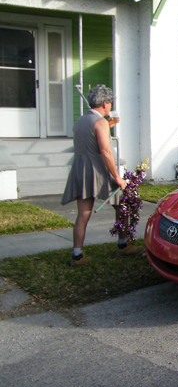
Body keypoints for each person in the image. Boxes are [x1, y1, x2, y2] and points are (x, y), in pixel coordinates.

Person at [61, 84, 141, 266]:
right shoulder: (101, 122)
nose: (111, 106)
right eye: (110, 103)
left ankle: (77, 255)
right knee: (122, 204)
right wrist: (118, 178)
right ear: (105, 103)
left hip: (81, 170)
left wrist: (108, 126)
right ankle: (123, 246)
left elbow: (89, 141)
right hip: (98, 171)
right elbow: (105, 152)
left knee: (83, 214)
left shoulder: (81, 120)